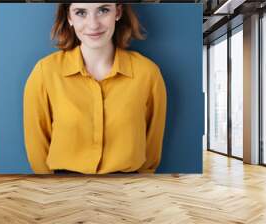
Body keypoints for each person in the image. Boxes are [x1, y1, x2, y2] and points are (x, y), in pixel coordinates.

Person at [24, 3, 166, 174]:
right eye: (81, 12)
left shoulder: (148, 73)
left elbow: (152, 144)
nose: (93, 24)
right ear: (69, 17)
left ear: (118, 12)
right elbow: (37, 144)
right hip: (63, 190)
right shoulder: (45, 72)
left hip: (129, 190)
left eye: (103, 10)